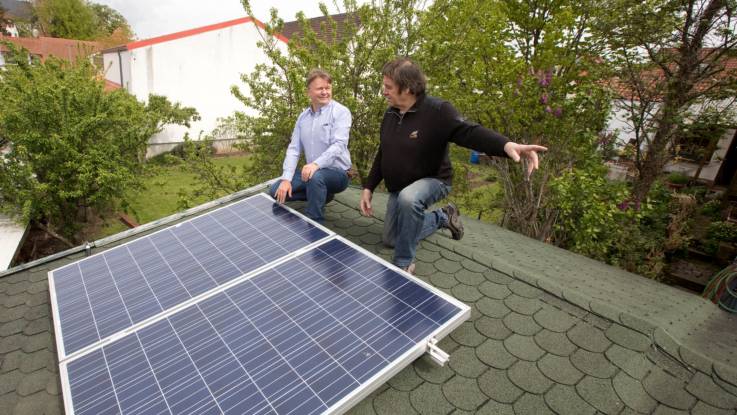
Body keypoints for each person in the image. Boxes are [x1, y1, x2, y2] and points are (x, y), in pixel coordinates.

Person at [359, 58, 547, 273]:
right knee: (392, 238)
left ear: (408, 88)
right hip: (400, 187)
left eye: (388, 87)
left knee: (409, 199)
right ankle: (442, 217)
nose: (384, 91)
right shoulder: (390, 114)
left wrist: (505, 145)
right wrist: (368, 187)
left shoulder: (437, 111)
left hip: (433, 180)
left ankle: (403, 263)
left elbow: (469, 131)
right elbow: (384, 152)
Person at [270, 69, 352, 222]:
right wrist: (286, 179)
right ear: (309, 91)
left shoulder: (341, 112)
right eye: (320, 88)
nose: (325, 92)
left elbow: (339, 145)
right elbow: (294, 149)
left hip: (338, 173)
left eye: (327, 88)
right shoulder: (303, 118)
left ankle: (315, 225)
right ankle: (321, 193)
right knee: (275, 190)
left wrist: (315, 164)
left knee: (315, 177)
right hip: (313, 173)